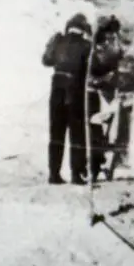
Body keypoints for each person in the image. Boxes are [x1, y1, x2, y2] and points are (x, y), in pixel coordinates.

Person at [42, 13, 93, 185]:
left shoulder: (58, 41)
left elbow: (46, 60)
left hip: (56, 89)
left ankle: (54, 174)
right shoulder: (86, 46)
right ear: (83, 30)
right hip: (74, 92)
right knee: (77, 133)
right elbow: (95, 69)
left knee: (56, 133)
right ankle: (77, 174)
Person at [88, 15, 127, 180]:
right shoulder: (106, 45)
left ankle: (99, 164)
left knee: (100, 129)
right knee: (106, 129)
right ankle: (101, 164)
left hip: (103, 90)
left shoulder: (101, 45)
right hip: (105, 90)